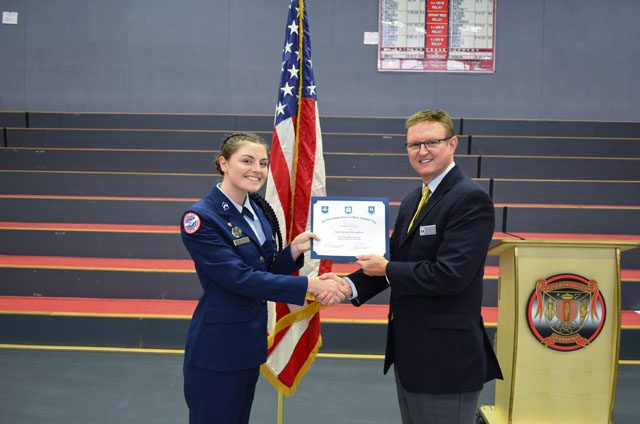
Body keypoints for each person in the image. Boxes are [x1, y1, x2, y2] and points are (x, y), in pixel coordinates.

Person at [320, 109, 502, 423]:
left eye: (431, 142)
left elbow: (450, 276)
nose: (421, 151)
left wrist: (387, 269)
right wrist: (346, 286)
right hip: (413, 355)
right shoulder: (412, 201)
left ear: (452, 144)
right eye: (413, 145)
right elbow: (394, 260)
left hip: (446, 361)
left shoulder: (469, 199)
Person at [180, 131, 348, 424]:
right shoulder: (201, 218)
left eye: (262, 163)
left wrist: (293, 250)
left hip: (247, 344)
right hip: (217, 350)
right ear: (223, 163)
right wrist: (309, 284)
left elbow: (265, 269)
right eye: (246, 161)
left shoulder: (257, 209)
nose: (256, 170)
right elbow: (241, 279)